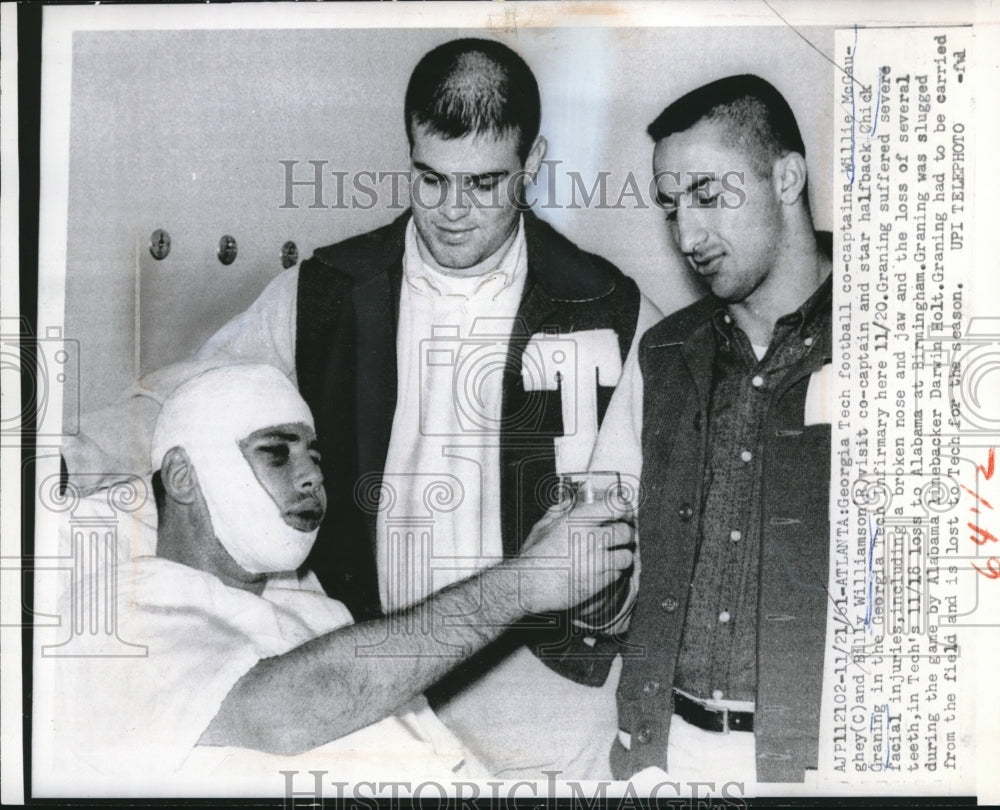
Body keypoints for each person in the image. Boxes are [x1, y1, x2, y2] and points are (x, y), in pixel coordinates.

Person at [64, 37, 659, 778]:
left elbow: (626, 527)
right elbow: (195, 392)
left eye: (483, 184)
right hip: (369, 658)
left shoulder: (616, 314)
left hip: (538, 691)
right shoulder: (327, 291)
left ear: (532, 165)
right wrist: (68, 458)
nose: (451, 212)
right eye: (430, 179)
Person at [41, 365, 633, 796]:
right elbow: (285, 712)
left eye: (315, 458)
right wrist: (525, 584)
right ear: (182, 476)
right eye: (276, 454)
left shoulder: (309, 606)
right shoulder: (113, 613)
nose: (310, 480)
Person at [591, 75, 832, 787]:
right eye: (671, 207)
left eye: (706, 194)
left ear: (785, 177)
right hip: (662, 757)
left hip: (816, 768)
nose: (687, 235)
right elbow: (609, 568)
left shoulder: (900, 334)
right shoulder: (662, 356)